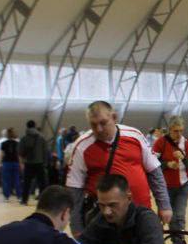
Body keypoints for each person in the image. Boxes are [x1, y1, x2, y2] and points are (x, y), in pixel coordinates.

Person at [65, 100, 172, 235]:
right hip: (104, 220)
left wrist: (164, 205)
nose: (99, 129)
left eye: (103, 123)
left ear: (114, 117)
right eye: (93, 124)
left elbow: (154, 172)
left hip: (141, 214)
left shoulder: (135, 135)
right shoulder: (81, 146)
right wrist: (76, 228)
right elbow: (74, 190)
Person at [152, 116, 188, 244]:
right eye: (176, 131)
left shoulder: (187, 144)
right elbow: (152, 162)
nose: (179, 134)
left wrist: (183, 157)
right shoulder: (160, 142)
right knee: (165, 216)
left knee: (179, 215)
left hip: (184, 185)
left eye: (181, 131)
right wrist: (167, 164)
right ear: (170, 129)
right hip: (164, 186)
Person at [18, 119, 49, 204]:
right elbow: (45, 151)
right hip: (40, 163)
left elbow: (20, 152)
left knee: (26, 183)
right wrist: (45, 163)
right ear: (35, 126)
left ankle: (24, 200)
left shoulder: (24, 138)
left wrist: (22, 163)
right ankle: (43, 201)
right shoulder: (41, 138)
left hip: (28, 163)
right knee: (42, 183)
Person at [0, 127, 21, 203]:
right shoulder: (17, 143)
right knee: (17, 180)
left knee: (6, 181)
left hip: (6, 163)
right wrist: (21, 163)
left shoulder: (3, 143)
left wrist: (0, 163)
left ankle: (6, 197)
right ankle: (19, 196)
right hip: (15, 162)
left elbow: (1, 154)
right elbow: (19, 155)